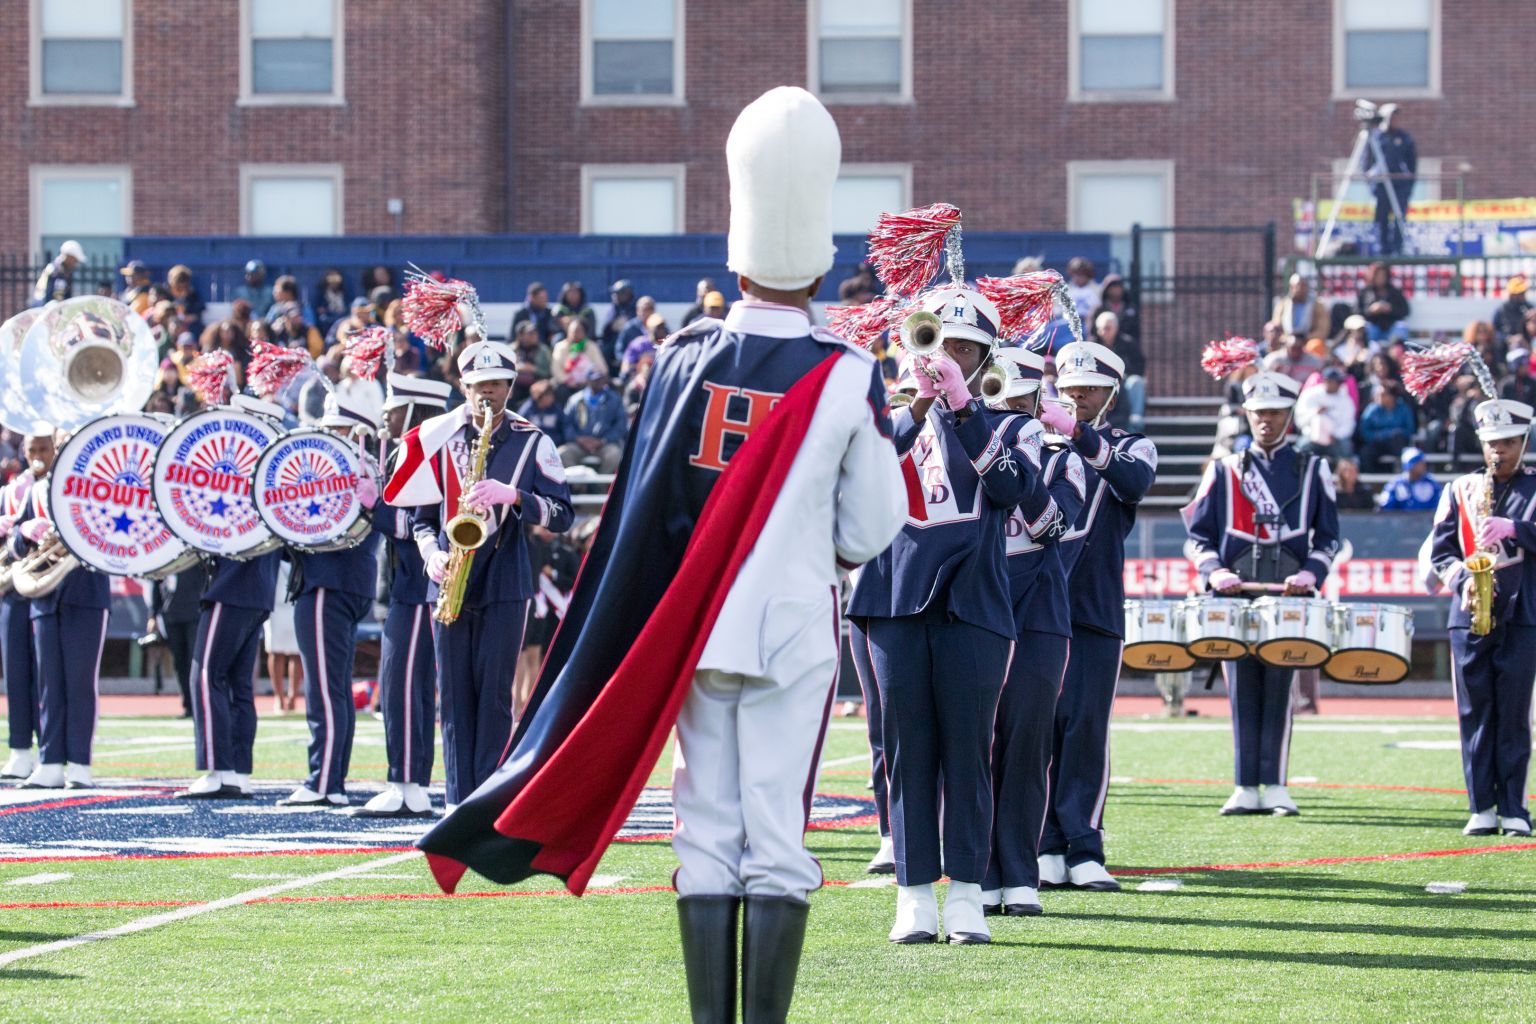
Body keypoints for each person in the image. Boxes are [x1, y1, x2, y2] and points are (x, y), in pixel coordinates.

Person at [414, 87, 904, 1024]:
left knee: (705, 828)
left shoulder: (680, 357)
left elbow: (645, 508)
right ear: (821, 256)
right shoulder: (846, 373)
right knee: (777, 833)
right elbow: (870, 528)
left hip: (692, 629)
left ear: (737, 249)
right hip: (795, 623)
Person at [848, 284, 1032, 947]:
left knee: (968, 753)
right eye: (939, 343)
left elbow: (1015, 490)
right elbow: (855, 475)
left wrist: (963, 409)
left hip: (972, 604)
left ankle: (968, 897)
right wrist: (920, 405)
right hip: (894, 599)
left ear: (985, 359)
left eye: (964, 350)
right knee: (906, 752)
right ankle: (914, 894)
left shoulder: (1008, 424)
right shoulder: (886, 417)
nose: (947, 356)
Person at [388, 335, 575, 809]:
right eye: (477, 385)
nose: (486, 393)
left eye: (496, 384)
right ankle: (456, 804)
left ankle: (486, 806)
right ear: (463, 387)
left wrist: (516, 497)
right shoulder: (440, 438)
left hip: (504, 583)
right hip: (448, 581)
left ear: (510, 387)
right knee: (453, 700)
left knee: (493, 698)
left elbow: (563, 515)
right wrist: (430, 553)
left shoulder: (533, 442)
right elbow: (420, 518)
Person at [1183, 370, 1340, 816]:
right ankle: (1243, 784)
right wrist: (1215, 572)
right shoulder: (1224, 470)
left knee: (1280, 688)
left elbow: (1329, 538)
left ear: (1289, 416)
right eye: (1258, 414)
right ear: (1247, 416)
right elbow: (1198, 538)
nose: (1265, 421)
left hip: (1289, 597)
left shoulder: (1313, 469)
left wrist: (1310, 573)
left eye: (1274, 413)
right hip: (1234, 596)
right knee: (1240, 689)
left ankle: (1276, 784)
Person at [1039, 340, 1157, 892]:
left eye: (1090, 388)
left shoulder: (1133, 445)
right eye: (1070, 387)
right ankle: (1042, 843)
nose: (1078, 395)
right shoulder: (1036, 442)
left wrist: (1080, 436)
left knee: (1086, 727)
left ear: (1111, 394)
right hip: (1037, 605)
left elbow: (1134, 482)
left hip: (1094, 607)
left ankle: (1084, 845)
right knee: (1035, 727)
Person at [978, 348, 1086, 918]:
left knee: (1025, 742)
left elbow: (1052, 525)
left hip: (1039, 611)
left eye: (1020, 398)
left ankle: (1019, 873)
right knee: (974, 741)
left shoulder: (1063, 460)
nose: (1009, 408)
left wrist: (1018, 458)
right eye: (1000, 396)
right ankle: (978, 871)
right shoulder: (965, 447)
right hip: (976, 604)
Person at [1429, 397, 1536, 837]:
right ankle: (1481, 807)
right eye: (1492, 443)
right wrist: (1463, 581)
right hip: (1470, 614)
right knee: (1474, 711)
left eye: (1508, 442)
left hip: (1523, 611)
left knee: (1514, 712)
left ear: (1524, 441)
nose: (1499, 451)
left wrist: (1518, 530)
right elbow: (1440, 552)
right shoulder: (1459, 489)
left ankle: (1514, 808)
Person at [276, 394, 385, 807]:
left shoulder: (354, 472)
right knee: (333, 686)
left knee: (324, 687)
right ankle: (331, 779)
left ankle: (324, 781)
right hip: (340, 583)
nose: (326, 437)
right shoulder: (365, 471)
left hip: (328, 583)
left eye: (335, 430)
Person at [353, 373, 454, 819]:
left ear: (414, 411)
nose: (387, 416)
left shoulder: (425, 454)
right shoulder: (409, 453)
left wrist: (373, 505)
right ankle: (408, 782)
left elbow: (409, 525)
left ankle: (409, 784)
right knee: (403, 687)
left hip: (417, 586)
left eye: (395, 408)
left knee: (404, 686)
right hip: (406, 585)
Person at [11, 433, 109, 789]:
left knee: (80, 682)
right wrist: (25, 531)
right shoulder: (37, 490)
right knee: (48, 683)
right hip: (45, 595)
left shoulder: (99, 488)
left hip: (86, 593)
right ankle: (50, 761)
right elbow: (16, 545)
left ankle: (80, 764)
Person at [0, 441, 51, 780]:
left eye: (45, 449)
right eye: (32, 449)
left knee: (48, 675)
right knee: (16, 673)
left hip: (49, 587)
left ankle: (51, 751)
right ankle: (19, 750)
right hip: (12, 591)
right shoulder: (7, 493)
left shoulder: (60, 489)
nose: (37, 456)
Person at [1368, 104, 1416, 256]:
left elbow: (1412, 163)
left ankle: (1398, 249)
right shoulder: (1375, 137)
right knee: (1381, 218)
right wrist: (1372, 179)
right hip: (1381, 184)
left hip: (1400, 184)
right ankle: (1382, 249)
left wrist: (1408, 183)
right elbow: (1366, 162)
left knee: (1399, 216)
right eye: (1392, 117)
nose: (1395, 120)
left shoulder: (1404, 138)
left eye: (1396, 117)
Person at [558, 369, 626, 474]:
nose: (598, 382)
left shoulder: (614, 399)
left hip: (604, 444)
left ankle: (601, 483)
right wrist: (579, 439)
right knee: (562, 453)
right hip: (579, 444)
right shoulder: (575, 400)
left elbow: (620, 425)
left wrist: (603, 440)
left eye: (601, 379)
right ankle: (578, 482)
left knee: (615, 455)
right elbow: (566, 424)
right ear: (587, 381)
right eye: (595, 380)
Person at [264, 561, 302, 714]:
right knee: (275, 650)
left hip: (297, 599)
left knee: (297, 652)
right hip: (275, 601)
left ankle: (293, 697)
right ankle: (279, 697)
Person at [1295, 366, 1356, 460]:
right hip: (1311, 436)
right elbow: (1299, 420)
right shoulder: (1310, 394)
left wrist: (1335, 435)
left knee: (1346, 448)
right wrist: (1315, 412)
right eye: (1334, 381)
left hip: (1335, 439)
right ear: (1325, 380)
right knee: (1301, 448)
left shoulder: (1346, 400)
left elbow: (1348, 424)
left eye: (1339, 382)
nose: (1338, 385)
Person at [1356, 381, 1415, 471]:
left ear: (1392, 396)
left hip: (1397, 443)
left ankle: (1401, 472)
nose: (1378, 397)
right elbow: (1364, 431)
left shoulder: (1404, 409)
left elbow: (1409, 430)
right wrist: (1385, 434)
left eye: (1382, 394)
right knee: (1365, 453)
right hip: (1377, 442)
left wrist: (1397, 433)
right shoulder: (1371, 410)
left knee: (1399, 443)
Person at [1356, 262, 1410, 345]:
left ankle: (1396, 350)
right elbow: (1357, 312)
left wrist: (1390, 309)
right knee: (1367, 328)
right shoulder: (1365, 292)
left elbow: (1405, 311)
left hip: (1391, 327)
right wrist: (1371, 310)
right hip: (1373, 327)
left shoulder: (1394, 292)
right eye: (1378, 276)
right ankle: (1370, 351)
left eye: (1383, 275)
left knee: (1401, 327)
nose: (1380, 278)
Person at [1378, 446, 1441, 511]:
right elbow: (1386, 506)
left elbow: (1436, 506)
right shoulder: (1395, 484)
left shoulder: (1431, 483)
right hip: (1400, 517)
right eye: (1418, 463)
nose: (1423, 466)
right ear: (1409, 465)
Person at [1273, 273, 1331, 342]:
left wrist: (1306, 339)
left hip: (1308, 341)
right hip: (1287, 341)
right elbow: (1276, 326)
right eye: (1297, 286)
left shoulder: (1318, 305)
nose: (1299, 289)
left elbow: (1322, 329)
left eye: (1303, 286)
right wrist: (1286, 339)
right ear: (1291, 287)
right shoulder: (1282, 304)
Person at [32, 240, 87, 306]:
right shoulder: (56, 271)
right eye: (75, 260)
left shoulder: (63, 271)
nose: (75, 264)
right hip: (42, 307)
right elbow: (51, 296)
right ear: (69, 257)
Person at [601, 279, 637, 365]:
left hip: (630, 342)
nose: (615, 296)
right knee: (604, 351)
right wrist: (612, 325)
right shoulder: (614, 308)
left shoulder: (635, 307)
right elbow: (606, 330)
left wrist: (627, 324)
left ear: (627, 294)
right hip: (614, 341)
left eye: (618, 293)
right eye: (614, 293)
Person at [1493, 276, 1532, 343]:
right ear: (1511, 295)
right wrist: (1507, 338)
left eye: (1523, 293)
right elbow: (1494, 329)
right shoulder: (1501, 309)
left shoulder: (1529, 308)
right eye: (1519, 294)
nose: (1522, 296)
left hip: (1526, 343)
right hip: (1505, 344)